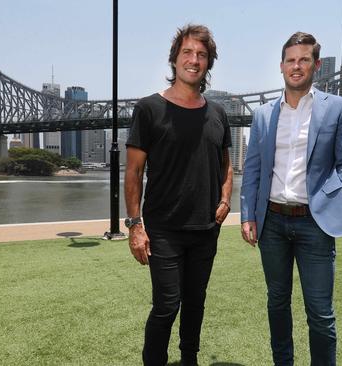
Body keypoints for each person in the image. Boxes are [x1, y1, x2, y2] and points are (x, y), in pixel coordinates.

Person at [240, 32, 342, 365]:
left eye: (304, 59)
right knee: (277, 304)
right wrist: (248, 215)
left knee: (320, 312)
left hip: (315, 225)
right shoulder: (264, 115)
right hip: (272, 223)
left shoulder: (337, 108)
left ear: (316, 65)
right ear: (281, 66)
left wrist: (330, 203)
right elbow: (252, 170)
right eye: (291, 60)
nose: (297, 66)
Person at [124, 24, 233, 366]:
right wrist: (135, 225)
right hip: (163, 229)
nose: (194, 60)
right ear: (174, 59)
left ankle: (189, 360)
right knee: (167, 303)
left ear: (208, 63)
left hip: (205, 228)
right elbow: (133, 172)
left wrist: (226, 199)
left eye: (201, 55)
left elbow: (226, 165)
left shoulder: (218, 114)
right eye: (187, 52)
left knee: (196, 301)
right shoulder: (149, 109)